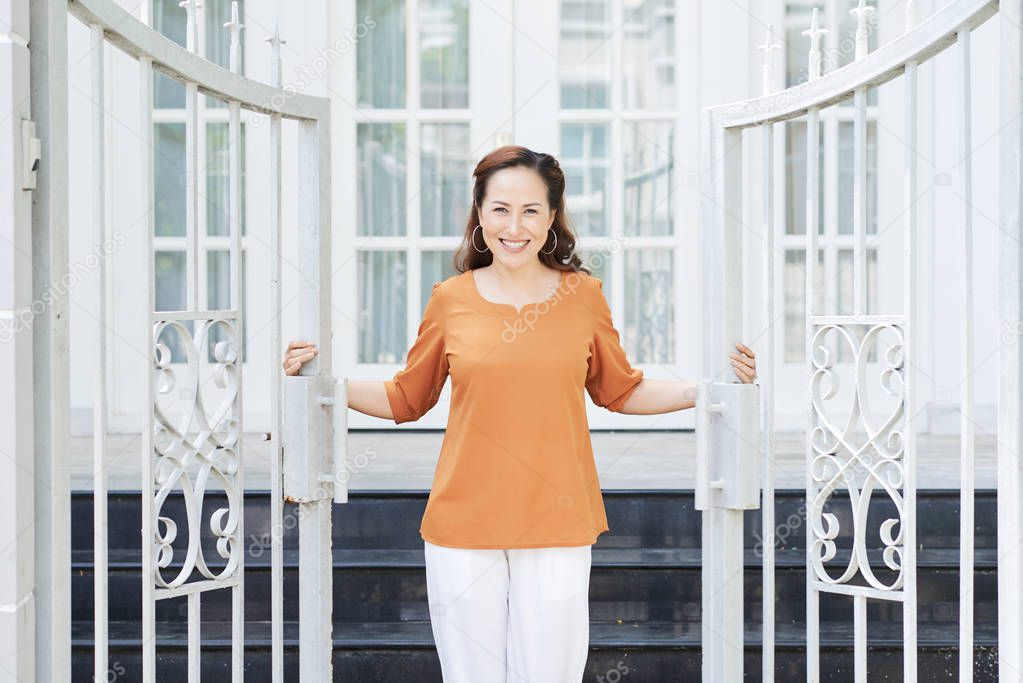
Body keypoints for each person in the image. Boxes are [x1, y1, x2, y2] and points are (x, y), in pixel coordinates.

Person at [283, 145, 758, 682]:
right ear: (480, 215)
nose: (515, 226)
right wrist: (323, 386)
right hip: (462, 524)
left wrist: (709, 388)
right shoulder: (449, 299)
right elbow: (406, 399)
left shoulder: (583, 297)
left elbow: (621, 391)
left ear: (552, 217)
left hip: (558, 520)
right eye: (500, 209)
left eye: (531, 210)